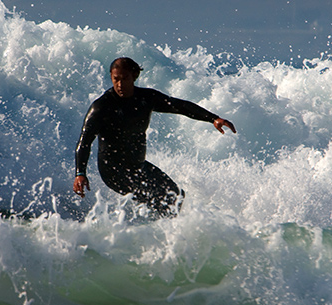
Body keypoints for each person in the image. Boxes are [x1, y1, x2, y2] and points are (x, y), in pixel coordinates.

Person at [73, 57, 236, 217]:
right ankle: (150, 235)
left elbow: (179, 106)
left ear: (134, 76)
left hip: (138, 165)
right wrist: (80, 173)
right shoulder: (101, 107)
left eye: (125, 78)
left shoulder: (146, 98)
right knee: (158, 201)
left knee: (176, 195)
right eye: (116, 79)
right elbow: (84, 142)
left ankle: (162, 232)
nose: (120, 84)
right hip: (113, 170)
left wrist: (213, 118)